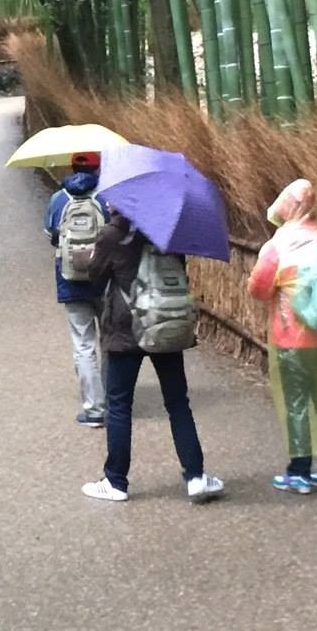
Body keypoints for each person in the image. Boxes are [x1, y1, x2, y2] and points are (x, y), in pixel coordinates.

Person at [79, 210, 224, 504]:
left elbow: (93, 278)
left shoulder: (112, 234)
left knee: (119, 406)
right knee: (178, 403)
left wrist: (94, 256)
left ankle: (116, 481)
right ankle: (196, 477)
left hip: (124, 331)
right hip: (164, 326)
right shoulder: (170, 233)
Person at [246, 178, 317, 493]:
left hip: (291, 338)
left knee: (296, 402)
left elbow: (259, 288)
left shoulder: (279, 245)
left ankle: (299, 472)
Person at [45, 152, 109, 426]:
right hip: (105, 279)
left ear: (71, 167)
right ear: (99, 169)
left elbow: (50, 234)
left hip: (71, 280)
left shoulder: (59, 199)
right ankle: (115, 402)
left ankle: (94, 409)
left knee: (83, 345)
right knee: (110, 341)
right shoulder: (106, 197)